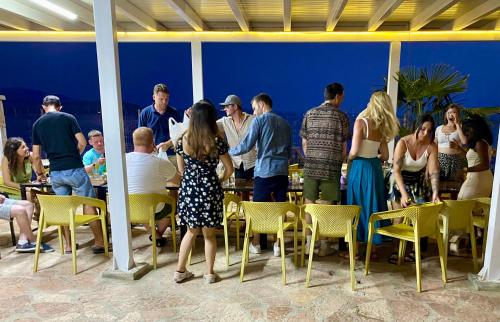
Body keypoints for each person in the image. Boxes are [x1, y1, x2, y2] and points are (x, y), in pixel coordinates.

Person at [32, 95, 107, 254]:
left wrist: (40, 174)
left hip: (56, 173)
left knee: (64, 208)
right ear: (60, 107)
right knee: (89, 203)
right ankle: (99, 243)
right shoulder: (68, 118)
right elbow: (82, 142)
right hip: (74, 169)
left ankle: (68, 246)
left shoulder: (37, 124)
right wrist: (75, 155)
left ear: (44, 107)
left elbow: (36, 156)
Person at [173, 100, 233, 284]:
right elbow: (229, 169)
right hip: (210, 189)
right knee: (209, 234)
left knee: (190, 232)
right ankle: (209, 274)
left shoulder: (182, 139)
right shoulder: (216, 141)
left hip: (190, 188)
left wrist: (192, 178)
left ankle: (180, 271)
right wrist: (219, 180)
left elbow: (181, 169)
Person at [230, 93, 291, 256]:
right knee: (280, 209)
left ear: (262, 104)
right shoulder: (285, 123)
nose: (254, 112)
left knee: (258, 208)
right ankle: (278, 245)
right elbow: (289, 150)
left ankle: (256, 243)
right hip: (282, 171)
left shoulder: (259, 120)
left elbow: (247, 145)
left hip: (265, 170)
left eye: (255, 107)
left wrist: (229, 151)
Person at [347, 92, 399, 259]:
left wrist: (348, 159)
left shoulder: (361, 123)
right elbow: (384, 155)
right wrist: (373, 156)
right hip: (374, 169)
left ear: (373, 103)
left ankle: (354, 251)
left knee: (356, 206)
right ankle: (373, 249)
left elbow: (354, 150)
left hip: (360, 166)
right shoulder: (382, 127)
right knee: (373, 205)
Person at [300, 82, 350, 256]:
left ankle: (308, 244)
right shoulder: (342, 117)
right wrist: (339, 161)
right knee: (328, 205)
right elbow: (344, 146)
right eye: (342, 97)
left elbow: (304, 142)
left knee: (309, 203)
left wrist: (311, 158)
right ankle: (322, 245)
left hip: (311, 165)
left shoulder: (309, 113)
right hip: (331, 166)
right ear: (337, 96)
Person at [387, 114, 440, 264]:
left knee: (417, 217)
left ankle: (413, 250)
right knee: (399, 216)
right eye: (422, 129)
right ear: (416, 127)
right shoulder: (403, 142)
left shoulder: (432, 146)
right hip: (399, 179)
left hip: (417, 180)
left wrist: (435, 192)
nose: (425, 134)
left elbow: (434, 172)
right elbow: (396, 170)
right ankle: (396, 250)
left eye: (429, 131)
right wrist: (403, 194)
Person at [126, 127, 181, 247]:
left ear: (134, 142)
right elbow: (178, 181)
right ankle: (157, 234)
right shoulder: (159, 162)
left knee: (142, 204)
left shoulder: (122, 159)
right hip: (153, 208)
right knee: (172, 201)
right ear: (153, 142)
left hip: (127, 209)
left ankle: (155, 234)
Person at [217, 94, 256, 182]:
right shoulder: (224, 122)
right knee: (240, 192)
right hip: (236, 165)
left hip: (253, 164)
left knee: (255, 192)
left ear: (235, 106)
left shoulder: (253, 120)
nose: (224, 109)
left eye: (227, 106)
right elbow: (207, 126)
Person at [138, 83, 181, 154]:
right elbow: (141, 137)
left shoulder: (175, 113)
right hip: (152, 155)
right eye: (161, 99)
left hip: (173, 155)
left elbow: (180, 134)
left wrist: (167, 144)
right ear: (154, 97)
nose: (164, 102)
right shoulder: (145, 113)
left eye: (166, 99)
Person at [458, 116, 494, 200]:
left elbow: (485, 165)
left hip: (478, 179)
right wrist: (459, 149)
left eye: (466, 131)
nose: (465, 134)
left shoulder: (480, 143)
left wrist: (465, 169)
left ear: (473, 130)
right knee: (474, 209)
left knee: (462, 201)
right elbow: (474, 159)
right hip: (482, 178)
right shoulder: (481, 143)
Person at [435, 104, 467, 182]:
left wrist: (457, 124)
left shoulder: (461, 127)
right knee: (439, 183)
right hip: (440, 159)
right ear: (446, 115)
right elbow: (434, 145)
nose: (451, 114)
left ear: (458, 115)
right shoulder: (439, 128)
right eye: (449, 112)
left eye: (454, 112)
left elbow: (464, 142)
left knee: (454, 184)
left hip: (455, 159)